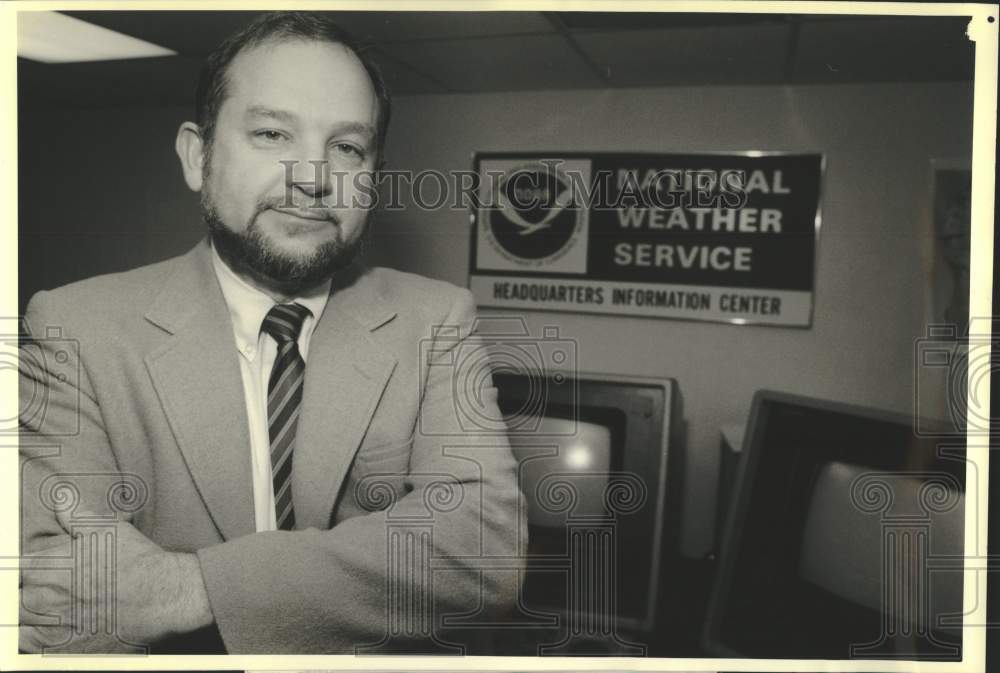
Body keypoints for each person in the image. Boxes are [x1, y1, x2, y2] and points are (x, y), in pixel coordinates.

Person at [18, 11, 524, 654]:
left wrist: (189, 588)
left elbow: (482, 554)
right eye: (271, 133)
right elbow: (56, 607)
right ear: (198, 157)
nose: (313, 177)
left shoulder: (437, 321)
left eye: (347, 147)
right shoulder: (72, 331)